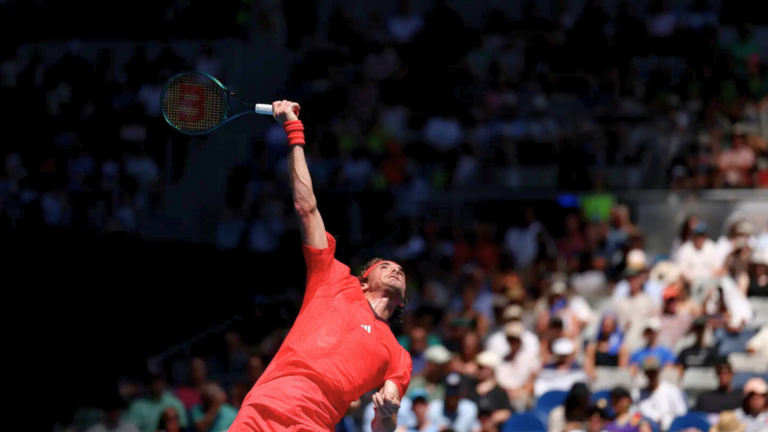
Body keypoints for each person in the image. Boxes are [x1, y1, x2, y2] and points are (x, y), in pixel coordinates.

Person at [229, 101, 412, 432]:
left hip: (314, 423)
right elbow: (306, 208)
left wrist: (387, 414)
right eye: (385, 265)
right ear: (363, 279)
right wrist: (293, 131)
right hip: (265, 406)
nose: (396, 269)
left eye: (400, 270)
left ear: (404, 298)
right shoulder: (332, 278)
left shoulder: (398, 356)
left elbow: (384, 422)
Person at [495, 321, 540, 411]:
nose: (513, 342)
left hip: (523, 398)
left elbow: (531, 383)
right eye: (510, 339)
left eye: (515, 339)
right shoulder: (502, 360)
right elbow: (498, 383)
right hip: (504, 397)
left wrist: (517, 393)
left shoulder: (531, 357)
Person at [634, 356, 688, 431]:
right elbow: (635, 416)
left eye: (654, 372)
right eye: (649, 372)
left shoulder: (672, 391)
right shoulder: (639, 394)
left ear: (659, 371)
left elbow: (682, 414)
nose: (651, 375)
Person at [463, 351, 511, 427]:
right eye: (478, 366)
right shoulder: (469, 386)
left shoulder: (499, 392)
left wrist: (492, 419)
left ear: (490, 369)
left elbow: (506, 412)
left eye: (481, 367)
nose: (477, 370)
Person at [584, 313, 629, 379]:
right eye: (605, 326)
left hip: (615, 378)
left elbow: (622, 368)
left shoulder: (621, 347)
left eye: (610, 326)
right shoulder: (593, 346)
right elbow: (588, 367)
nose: (607, 330)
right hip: (597, 378)